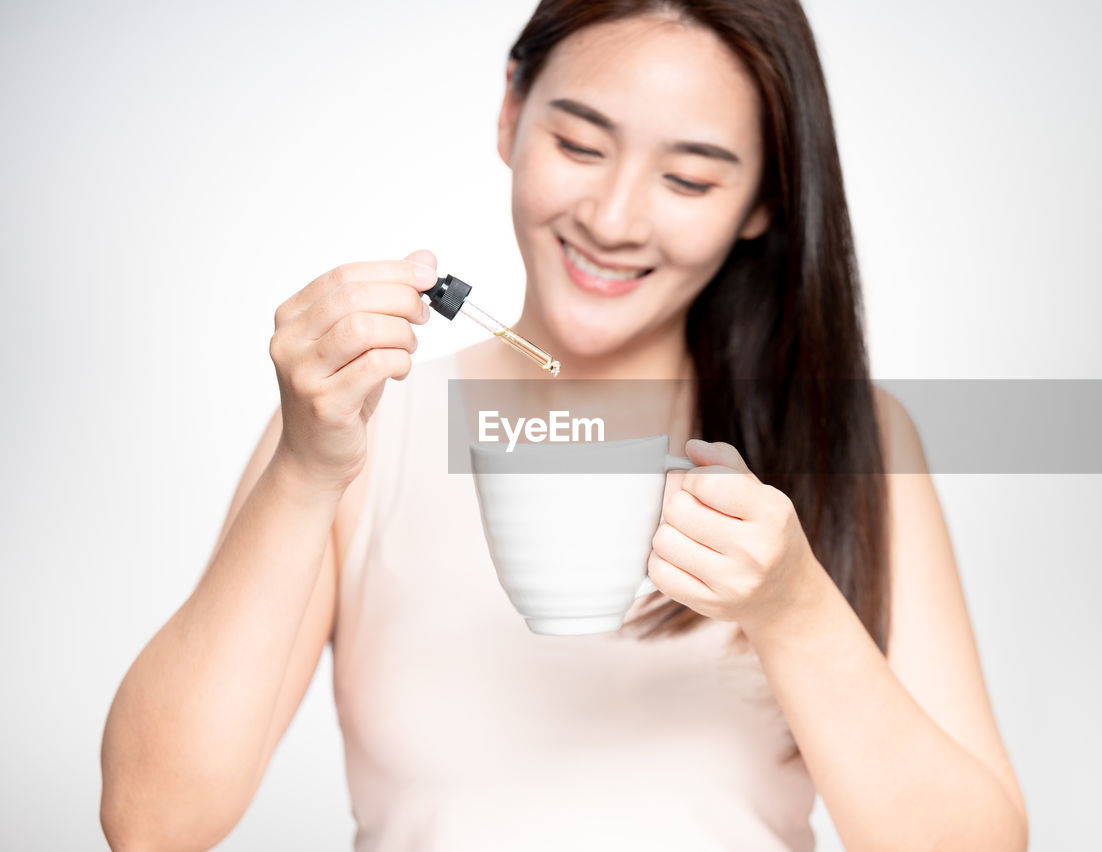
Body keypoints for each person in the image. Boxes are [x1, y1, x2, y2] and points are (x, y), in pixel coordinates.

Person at [100, 1, 1029, 849]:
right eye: (581, 146)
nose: (613, 218)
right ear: (510, 112)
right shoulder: (359, 430)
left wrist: (793, 608)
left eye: (691, 180)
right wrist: (305, 472)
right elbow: (150, 823)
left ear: (766, 203)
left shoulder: (850, 438)